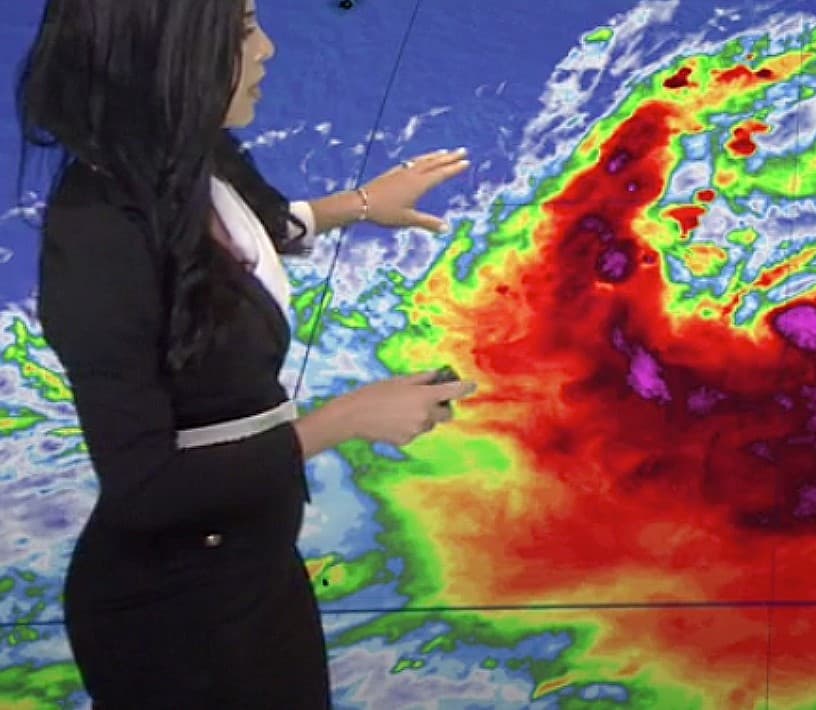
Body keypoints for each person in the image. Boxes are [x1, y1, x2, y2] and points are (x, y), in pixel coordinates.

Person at [16, 0, 478, 706]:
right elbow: (143, 487)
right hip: (177, 619)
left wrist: (360, 204)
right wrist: (346, 420)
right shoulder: (96, 237)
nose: (267, 49)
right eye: (240, 32)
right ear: (162, 51)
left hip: (248, 565)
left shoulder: (182, 154)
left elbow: (242, 236)